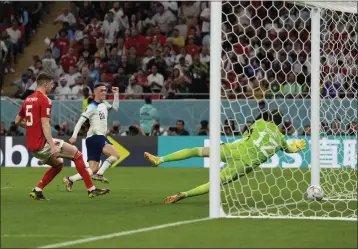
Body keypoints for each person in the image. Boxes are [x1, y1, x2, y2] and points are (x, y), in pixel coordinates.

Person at [144, 110, 306, 204]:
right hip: (245, 164)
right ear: (279, 124)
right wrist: (296, 147)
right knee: (214, 183)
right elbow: (289, 150)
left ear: (268, 118)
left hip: (234, 149)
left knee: (196, 151)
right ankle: (184, 194)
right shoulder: (280, 138)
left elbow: (245, 133)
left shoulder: (260, 123)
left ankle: (160, 159)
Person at [14, 73, 109, 200]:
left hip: (32, 146)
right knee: (77, 155)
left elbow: (17, 121)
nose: (52, 87)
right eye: (52, 84)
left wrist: (32, 128)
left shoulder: (28, 99)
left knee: (58, 165)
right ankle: (91, 189)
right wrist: (52, 145)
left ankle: (37, 190)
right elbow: (45, 125)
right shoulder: (45, 100)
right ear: (46, 84)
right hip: (43, 143)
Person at [63, 84, 120, 191]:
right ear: (96, 92)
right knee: (116, 155)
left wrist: (116, 94)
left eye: (105, 90)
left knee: (93, 169)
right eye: (102, 90)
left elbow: (115, 108)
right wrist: (74, 136)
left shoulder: (104, 104)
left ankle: (70, 179)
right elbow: (80, 121)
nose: (104, 92)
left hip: (93, 139)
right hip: (96, 136)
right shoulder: (91, 106)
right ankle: (100, 174)